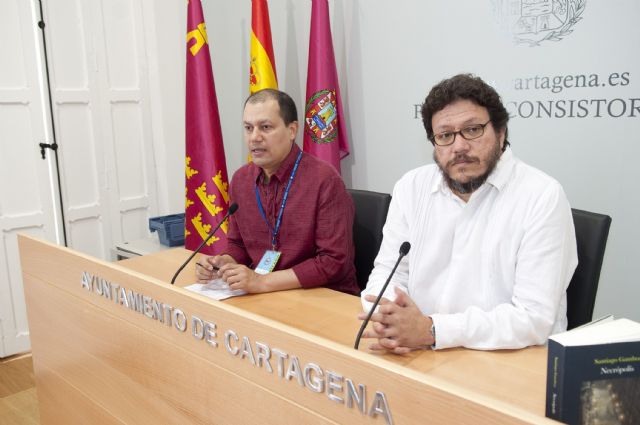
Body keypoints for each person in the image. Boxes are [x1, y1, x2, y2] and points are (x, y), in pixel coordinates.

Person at [359, 74, 578, 352]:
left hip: (509, 360)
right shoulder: (411, 187)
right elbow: (388, 273)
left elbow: (533, 318)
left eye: (473, 130)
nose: (459, 146)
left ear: (501, 132)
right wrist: (392, 319)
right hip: (418, 351)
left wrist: (432, 330)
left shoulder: (542, 195)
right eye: (445, 135)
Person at [196, 89, 358, 295]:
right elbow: (238, 245)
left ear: (292, 130)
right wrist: (222, 264)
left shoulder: (324, 180)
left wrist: (262, 282)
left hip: (321, 295)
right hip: (265, 294)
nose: (254, 137)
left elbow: (333, 262)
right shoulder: (241, 180)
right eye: (248, 128)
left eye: (265, 127)